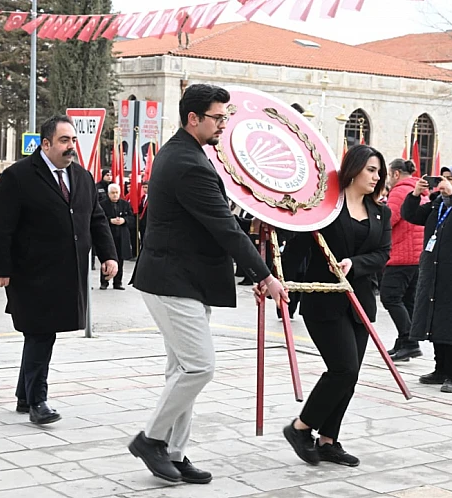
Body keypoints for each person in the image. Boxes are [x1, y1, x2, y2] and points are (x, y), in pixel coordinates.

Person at [128, 84, 287, 484]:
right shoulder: (188, 163)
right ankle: (150, 440)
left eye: (224, 117)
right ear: (193, 118)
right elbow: (226, 228)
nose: (223, 125)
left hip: (186, 279)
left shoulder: (188, 153)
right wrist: (265, 275)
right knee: (198, 367)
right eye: (218, 117)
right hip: (171, 280)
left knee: (181, 370)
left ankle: (174, 453)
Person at [0, 115, 118, 426]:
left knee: (40, 334)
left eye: (73, 140)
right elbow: (2, 227)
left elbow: (95, 219)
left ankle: (24, 395)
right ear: (45, 144)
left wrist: (108, 255)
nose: (71, 146)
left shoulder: (82, 177)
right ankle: (37, 401)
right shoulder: (19, 176)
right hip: (30, 272)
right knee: (40, 333)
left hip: (67, 272)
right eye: (64, 141)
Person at [281, 145, 392, 467]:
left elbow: (382, 254)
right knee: (343, 368)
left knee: (350, 374)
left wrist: (353, 264)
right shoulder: (325, 207)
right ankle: (301, 427)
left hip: (359, 303)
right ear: (354, 168)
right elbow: (297, 248)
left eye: (379, 171)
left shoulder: (380, 212)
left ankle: (329, 441)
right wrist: (277, 282)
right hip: (323, 299)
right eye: (371, 169)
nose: (377, 176)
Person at [402, 166, 452, 393]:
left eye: (450, 179)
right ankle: (439, 369)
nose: (445, 183)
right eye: (443, 179)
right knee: (436, 318)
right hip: (434, 269)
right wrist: (415, 195)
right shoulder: (438, 204)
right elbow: (411, 215)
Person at [381, 159, 427, 362]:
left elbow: (388, 220)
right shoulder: (418, 191)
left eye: (389, 174)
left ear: (396, 173)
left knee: (390, 297)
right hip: (416, 255)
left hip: (401, 254)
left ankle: (409, 342)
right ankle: (404, 343)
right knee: (407, 300)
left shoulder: (400, 192)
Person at [99, 184, 133, 290]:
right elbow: (99, 218)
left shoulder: (125, 204)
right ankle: (104, 281)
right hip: (109, 235)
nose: (115, 195)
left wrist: (124, 220)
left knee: (120, 259)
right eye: (112, 193)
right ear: (108, 194)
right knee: (107, 258)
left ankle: (117, 282)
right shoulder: (102, 204)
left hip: (121, 235)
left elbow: (132, 218)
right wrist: (110, 220)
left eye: (116, 193)